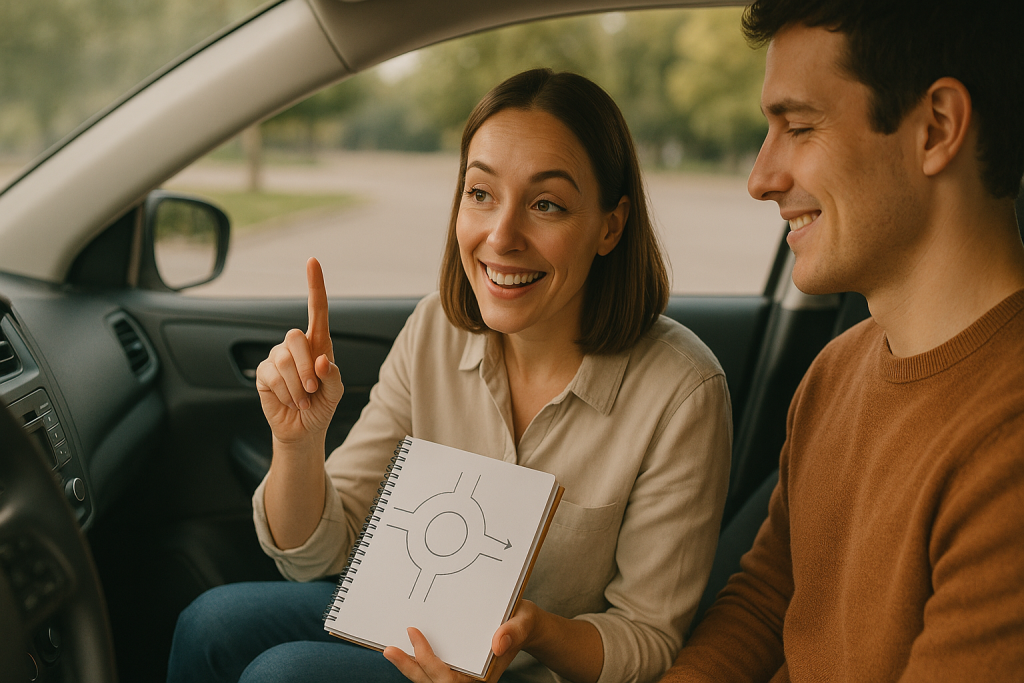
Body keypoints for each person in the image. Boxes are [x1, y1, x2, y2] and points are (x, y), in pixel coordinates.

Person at [168, 68, 732, 683]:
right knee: (209, 623)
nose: (501, 236)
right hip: (410, 626)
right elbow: (318, 551)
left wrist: (536, 630)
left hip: (533, 674)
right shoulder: (435, 328)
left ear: (610, 226)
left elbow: (647, 639)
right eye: (481, 193)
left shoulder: (683, 391)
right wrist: (297, 444)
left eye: (546, 204)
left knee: (285, 676)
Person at [662, 1, 1024, 681]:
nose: (761, 179)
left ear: (936, 128)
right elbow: (766, 603)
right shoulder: (838, 368)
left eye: (799, 127)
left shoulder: (1008, 446)